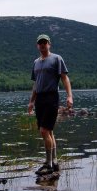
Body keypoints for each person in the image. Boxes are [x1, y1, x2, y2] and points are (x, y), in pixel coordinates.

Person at [28, 34, 73, 175]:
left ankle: (48, 164)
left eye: (45, 42)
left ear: (49, 44)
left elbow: (65, 78)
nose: (42, 45)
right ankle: (54, 162)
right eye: (40, 43)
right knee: (49, 131)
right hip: (40, 99)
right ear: (37, 45)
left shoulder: (56, 59)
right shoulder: (36, 62)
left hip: (51, 97)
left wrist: (69, 96)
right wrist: (31, 101)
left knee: (44, 131)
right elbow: (36, 84)